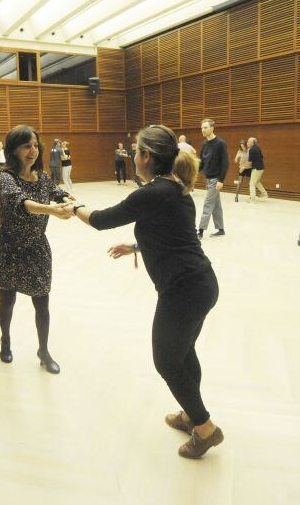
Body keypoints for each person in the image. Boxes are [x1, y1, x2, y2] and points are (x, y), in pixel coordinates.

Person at [73, 125, 224, 459]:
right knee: (183, 353)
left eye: (135, 152)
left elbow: (100, 220)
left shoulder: (153, 192)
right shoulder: (175, 188)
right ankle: (190, 414)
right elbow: (174, 234)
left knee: (167, 360)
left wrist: (72, 206)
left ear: (146, 156)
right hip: (201, 283)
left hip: (183, 290)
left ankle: (205, 428)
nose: (132, 157)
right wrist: (137, 246)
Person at [0, 125, 73, 373]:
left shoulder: (43, 177)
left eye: (36, 145)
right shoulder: (6, 178)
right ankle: (5, 340)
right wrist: (52, 209)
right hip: (9, 248)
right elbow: (22, 203)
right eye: (27, 145)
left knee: (42, 303)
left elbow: (59, 194)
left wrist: (69, 201)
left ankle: (43, 350)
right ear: (13, 150)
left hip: (37, 248)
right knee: (7, 301)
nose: (33, 150)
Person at [197, 118, 228, 238]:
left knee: (208, 204)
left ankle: (200, 231)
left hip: (215, 180)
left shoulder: (220, 143)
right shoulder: (205, 144)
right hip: (208, 178)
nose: (203, 130)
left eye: (205, 127)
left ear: (212, 128)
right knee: (216, 205)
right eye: (202, 128)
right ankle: (220, 229)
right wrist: (194, 172)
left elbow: (225, 163)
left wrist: (221, 180)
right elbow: (202, 161)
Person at [246, 137, 268, 202]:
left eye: (248, 142)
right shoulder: (258, 148)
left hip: (256, 169)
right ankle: (264, 194)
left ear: (252, 143)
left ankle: (252, 199)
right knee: (257, 182)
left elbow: (250, 162)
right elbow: (261, 157)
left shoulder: (251, 149)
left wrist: (243, 167)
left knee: (252, 183)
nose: (247, 143)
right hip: (261, 168)